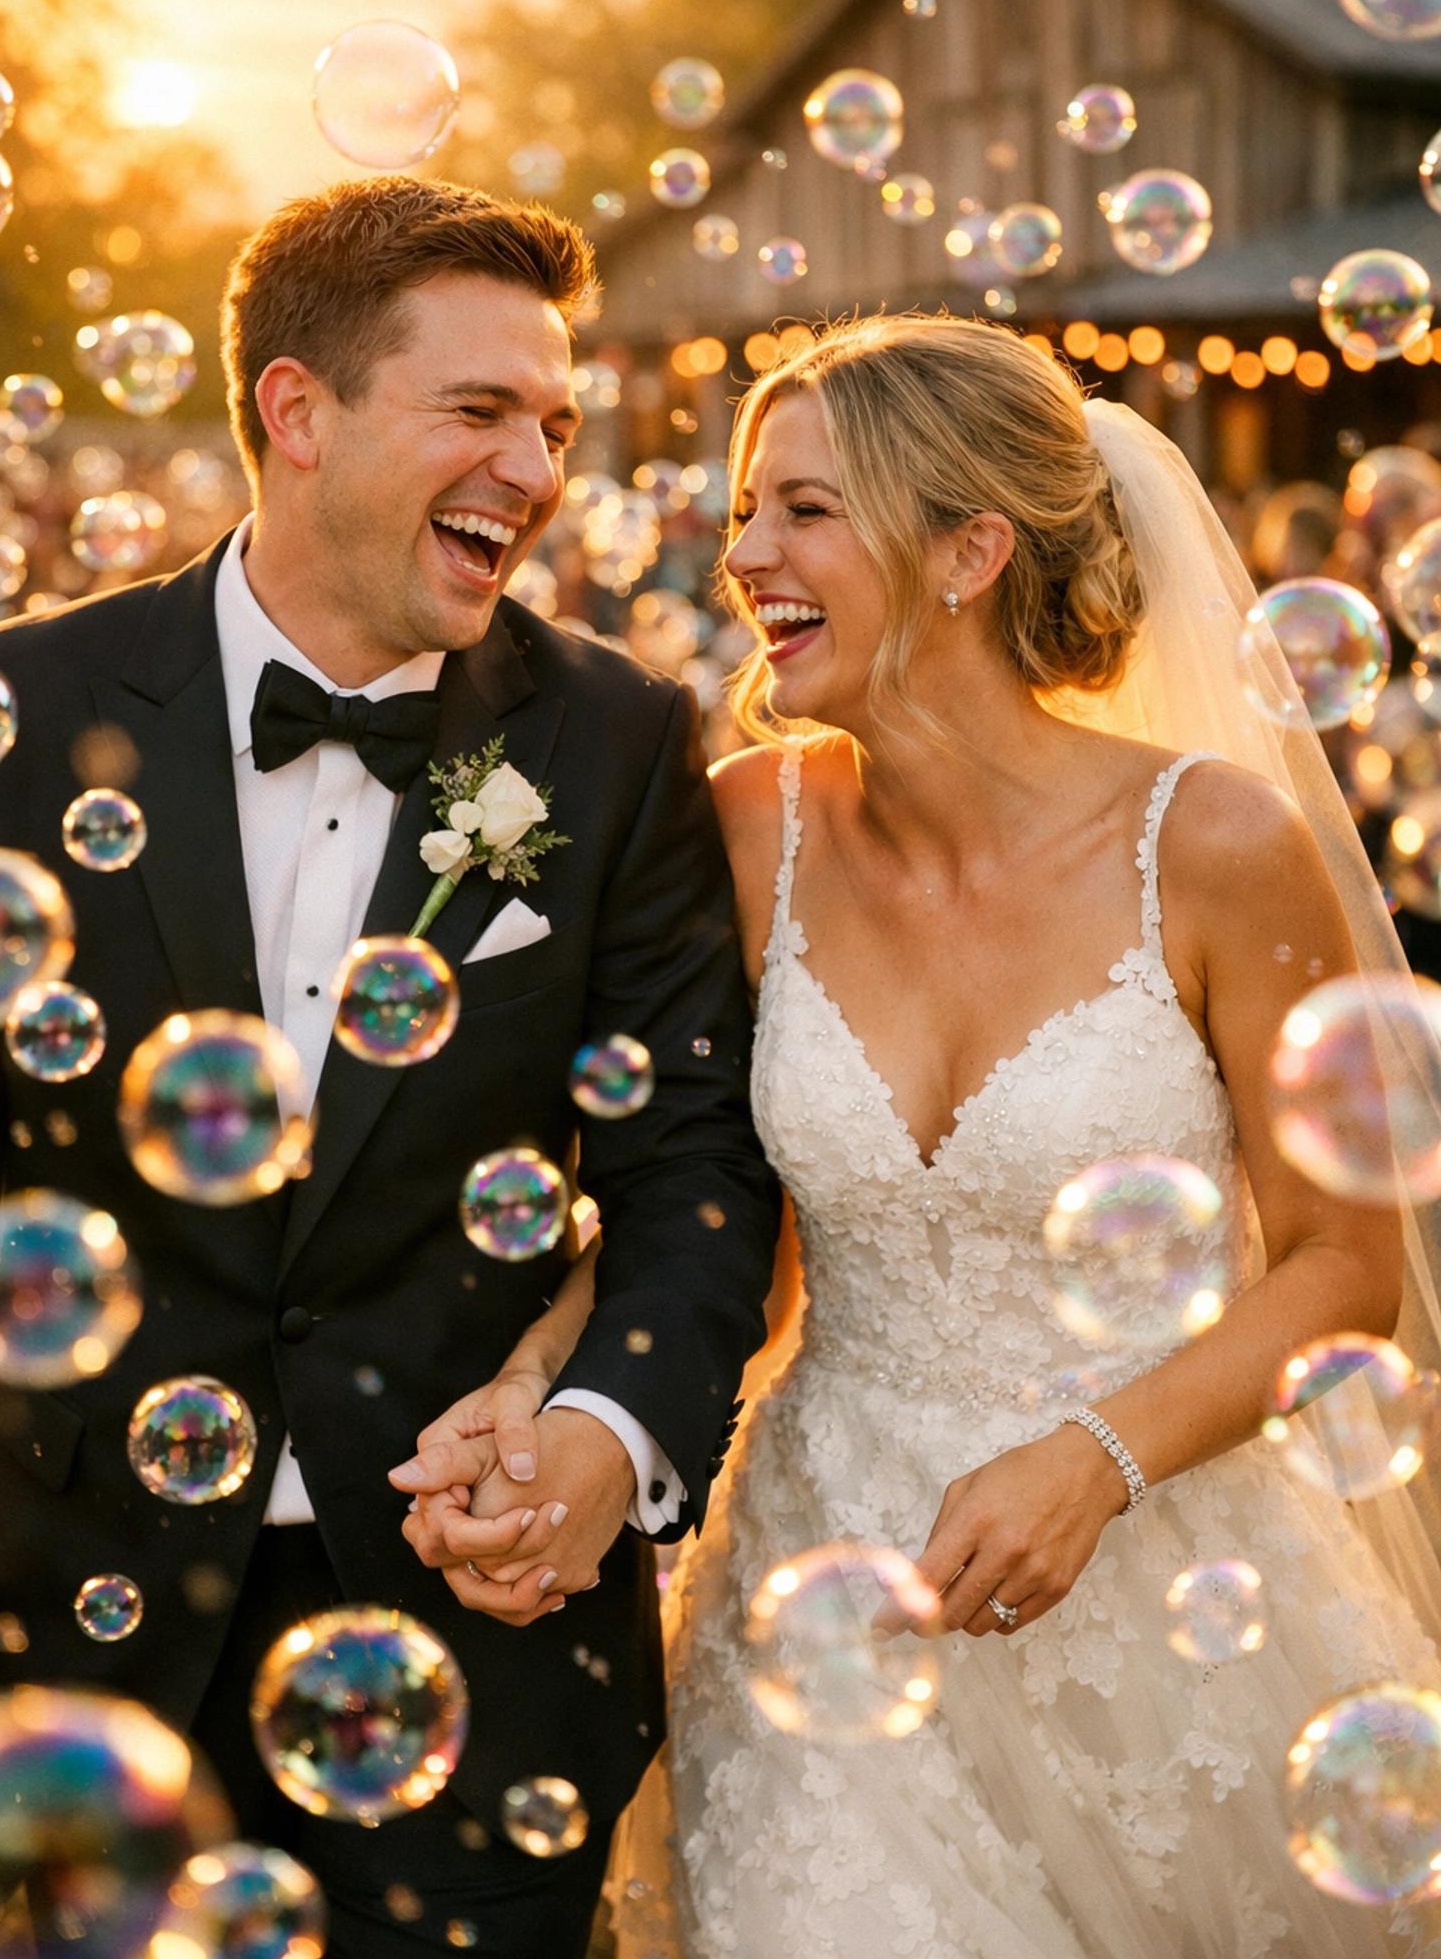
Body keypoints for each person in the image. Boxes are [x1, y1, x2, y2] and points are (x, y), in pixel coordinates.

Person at [405, 313, 1441, 1957]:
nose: (744, 554)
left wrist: (1094, 1464)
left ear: (970, 548)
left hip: (1169, 1578)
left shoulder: (1219, 846)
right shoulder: (751, 830)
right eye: (748, 508)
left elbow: (1342, 1269)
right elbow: (712, 1217)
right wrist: (543, 1382)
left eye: (803, 509)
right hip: (827, 1608)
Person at [0, 176, 780, 1959]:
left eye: (551, 422)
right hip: (66, 1645)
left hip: (485, 1653)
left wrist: (610, 1440)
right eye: (479, 411)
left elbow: (696, 1158)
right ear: (296, 413)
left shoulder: (611, 743)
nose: (536, 469)